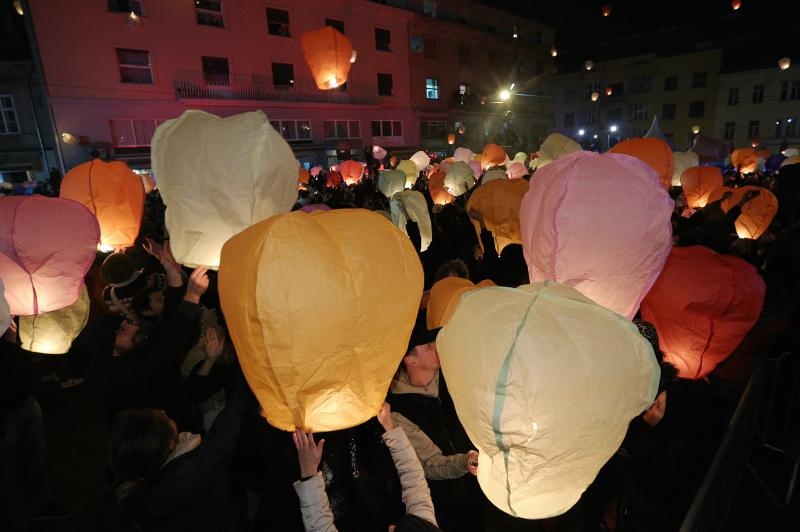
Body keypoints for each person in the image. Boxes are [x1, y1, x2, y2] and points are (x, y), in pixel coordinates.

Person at [387, 325, 483, 531]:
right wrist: (465, 462)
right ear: (410, 360)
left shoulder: (451, 375)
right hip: (447, 500)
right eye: (429, 346)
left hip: (482, 484)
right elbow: (430, 464)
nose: (437, 346)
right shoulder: (398, 409)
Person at [292, 403, 440, 532]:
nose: (391, 527)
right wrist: (390, 429)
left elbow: (320, 527)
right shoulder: (425, 527)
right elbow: (415, 481)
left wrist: (309, 472)